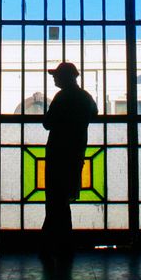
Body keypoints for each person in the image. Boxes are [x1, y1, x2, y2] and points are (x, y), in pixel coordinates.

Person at [41, 62, 98, 256]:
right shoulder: (86, 97)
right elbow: (94, 114)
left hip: (57, 153)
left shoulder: (62, 97)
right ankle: (62, 244)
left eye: (57, 75)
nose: (54, 78)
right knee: (64, 199)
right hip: (75, 153)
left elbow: (47, 123)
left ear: (66, 77)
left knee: (55, 200)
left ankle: (52, 244)